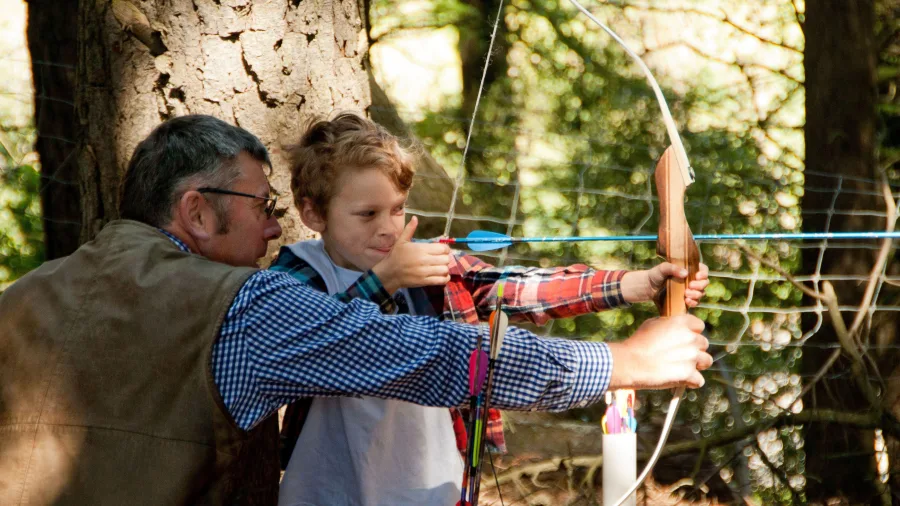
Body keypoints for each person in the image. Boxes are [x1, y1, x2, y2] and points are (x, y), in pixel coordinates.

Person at [0, 115, 712, 506]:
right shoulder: (244, 307)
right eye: (261, 207)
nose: (274, 229)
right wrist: (628, 361)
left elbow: (508, 289)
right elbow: (438, 357)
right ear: (195, 211)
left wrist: (631, 285)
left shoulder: (22, 301)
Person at [273, 113, 711, 506]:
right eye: (367, 214)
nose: (388, 228)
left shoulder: (424, 266)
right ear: (313, 213)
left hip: (432, 484)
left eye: (397, 209)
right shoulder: (300, 273)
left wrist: (634, 284)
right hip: (329, 487)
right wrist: (382, 280)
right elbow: (312, 337)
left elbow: (515, 288)